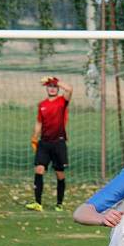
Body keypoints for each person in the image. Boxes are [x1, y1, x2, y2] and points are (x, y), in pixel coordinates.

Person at [26, 76, 73, 212]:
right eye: (50, 86)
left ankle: (59, 204)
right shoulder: (42, 105)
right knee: (39, 170)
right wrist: (35, 137)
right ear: (46, 88)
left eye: (54, 87)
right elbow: (39, 122)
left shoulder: (62, 101)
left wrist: (55, 81)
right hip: (44, 143)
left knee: (60, 174)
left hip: (58, 142)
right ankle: (37, 203)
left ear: (57, 89)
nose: (52, 88)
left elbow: (70, 89)